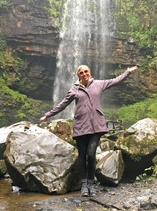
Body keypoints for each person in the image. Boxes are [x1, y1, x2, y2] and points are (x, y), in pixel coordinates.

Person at [39, 64, 138, 196]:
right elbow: (63, 104)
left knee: (91, 154)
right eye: (81, 73)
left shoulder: (99, 84)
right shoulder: (74, 89)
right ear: (78, 75)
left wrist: (128, 72)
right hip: (81, 126)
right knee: (82, 155)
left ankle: (91, 182)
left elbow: (115, 81)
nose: (84, 74)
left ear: (89, 72)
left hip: (96, 126)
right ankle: (84, 184)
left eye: (86, 71)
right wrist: (48, 114)